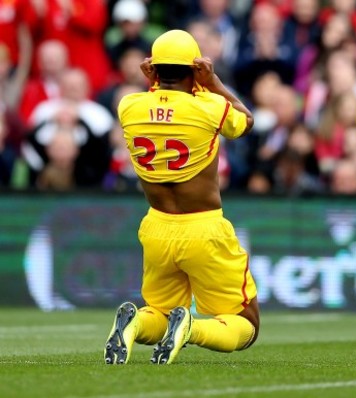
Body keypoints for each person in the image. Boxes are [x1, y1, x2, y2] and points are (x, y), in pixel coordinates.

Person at [104, 29, 259, 365]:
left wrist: (156, 81)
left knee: (157, 312)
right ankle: (190, 330)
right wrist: (214, 81)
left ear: (154, 71)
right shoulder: (209, 106)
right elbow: (246, 121)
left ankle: (133, 324)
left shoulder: (128, 106)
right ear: (194, 70)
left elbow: (159, 105)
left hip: (157, 227)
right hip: (203, 228)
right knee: (247, 323)